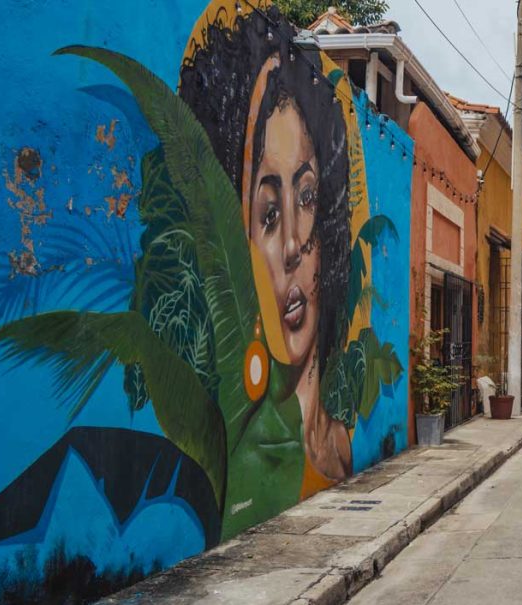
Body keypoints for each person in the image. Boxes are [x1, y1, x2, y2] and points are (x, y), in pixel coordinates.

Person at [179, 6, 353, 483]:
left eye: (308, 196)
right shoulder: (246, 474)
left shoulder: (342, 442)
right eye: (269, 215)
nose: (294, 245)